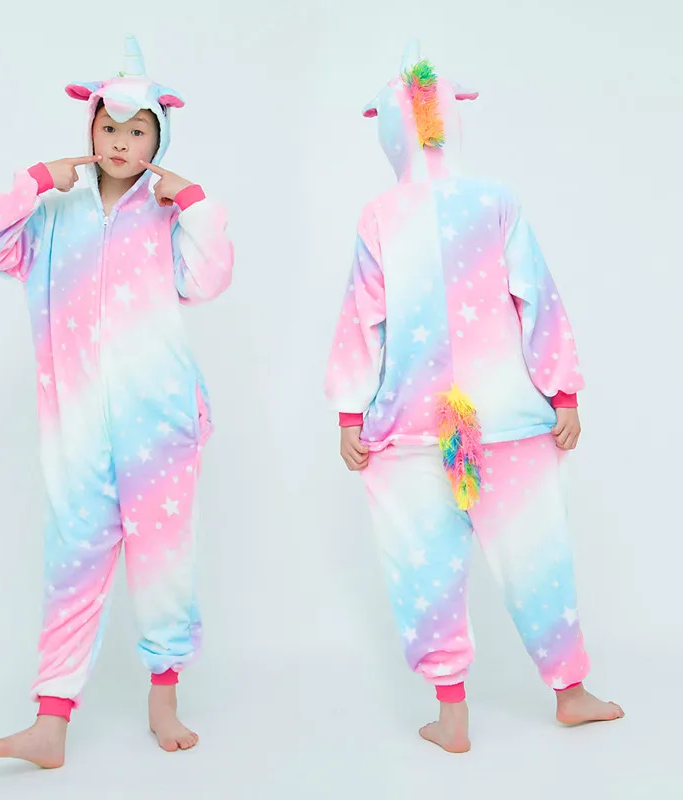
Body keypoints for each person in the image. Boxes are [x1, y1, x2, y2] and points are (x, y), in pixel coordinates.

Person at [324, 40, 623, 754]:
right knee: (535, 551)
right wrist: (561, 389)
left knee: (423, 562)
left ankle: (452, 712)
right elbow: (536, 297)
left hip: (413, 423)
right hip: (502, 415)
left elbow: (362, 320)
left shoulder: (383, 214)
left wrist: (350, 411)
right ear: (451, 119)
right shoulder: (493, 201)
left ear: (387, 130)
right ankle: (569, 692)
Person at [0, 34, 233, 766]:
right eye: (109, 127)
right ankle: (50, 722)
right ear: (89, 130)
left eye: (138, 130)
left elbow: (209, 279)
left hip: (161, 419)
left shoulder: (166, 218)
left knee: (163, 558)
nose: (121, 142)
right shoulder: (54, 216)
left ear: (159, 137)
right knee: (73, 557)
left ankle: (164, 696)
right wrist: (34, 182)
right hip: (77, 421)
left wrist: (195, 203)